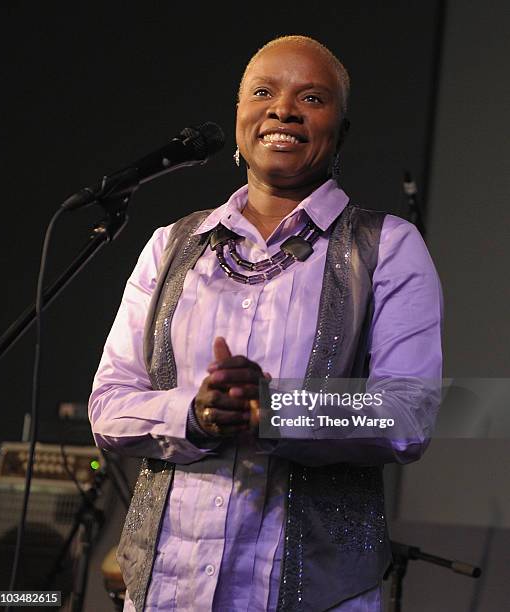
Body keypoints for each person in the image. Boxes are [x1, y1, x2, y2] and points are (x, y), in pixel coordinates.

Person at [88, 35, 442, 612]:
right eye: (263, 92)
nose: (283, 109)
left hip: (315, 596)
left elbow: (409, 412)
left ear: (341, 131)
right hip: (165, 591)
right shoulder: (171, 246)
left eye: (312, 98)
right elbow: (108, 404)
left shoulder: (388, 247)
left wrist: (273, 409)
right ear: (239, 119)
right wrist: (195, 414)